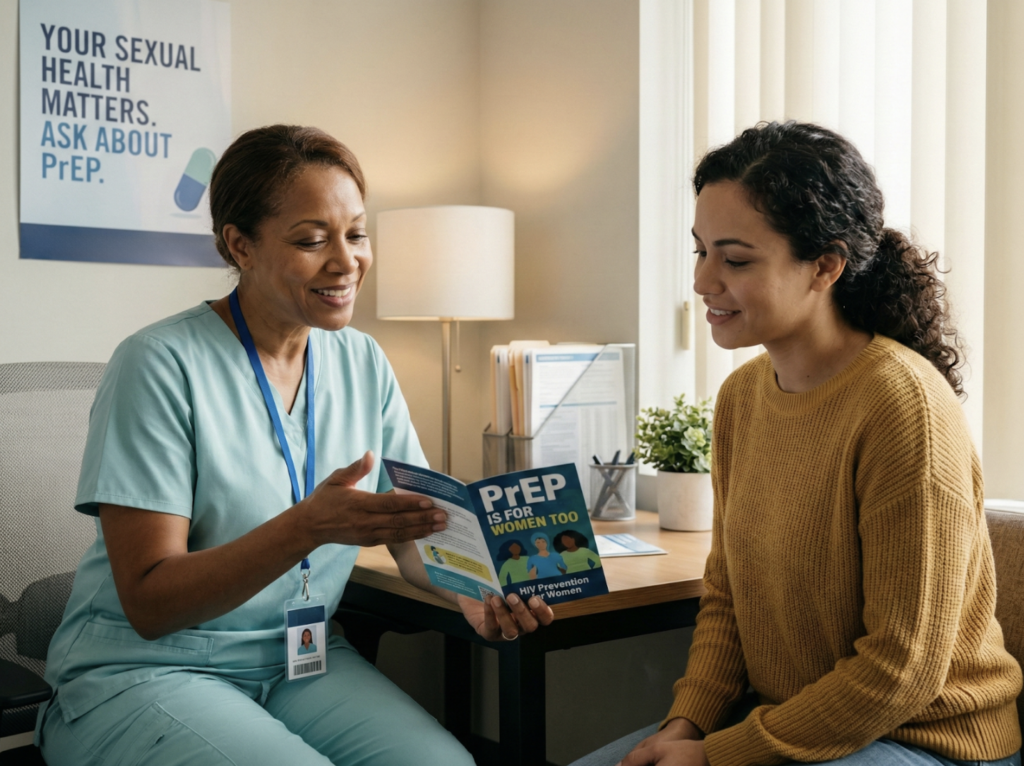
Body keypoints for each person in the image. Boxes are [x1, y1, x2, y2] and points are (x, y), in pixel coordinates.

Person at [35, 125, 555, 766]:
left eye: (357, 234)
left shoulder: (361, 360)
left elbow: (414, 530)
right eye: (312, 240)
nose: (346, 261)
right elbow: (150, 601)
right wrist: (305, 528)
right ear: (240, 245)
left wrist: (472, 591)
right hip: (147, 669)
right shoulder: (158, 364)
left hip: (299, 659)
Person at [571, 122, 1022, 766]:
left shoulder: (904, 407)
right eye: (699, 251)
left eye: (736, 259)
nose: (703, 281)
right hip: (788, 720)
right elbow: (727, 594)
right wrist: (688, 724)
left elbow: (902, 668)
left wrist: (719, 756)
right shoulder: (741, 399)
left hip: (923, 739)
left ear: (826, 266)